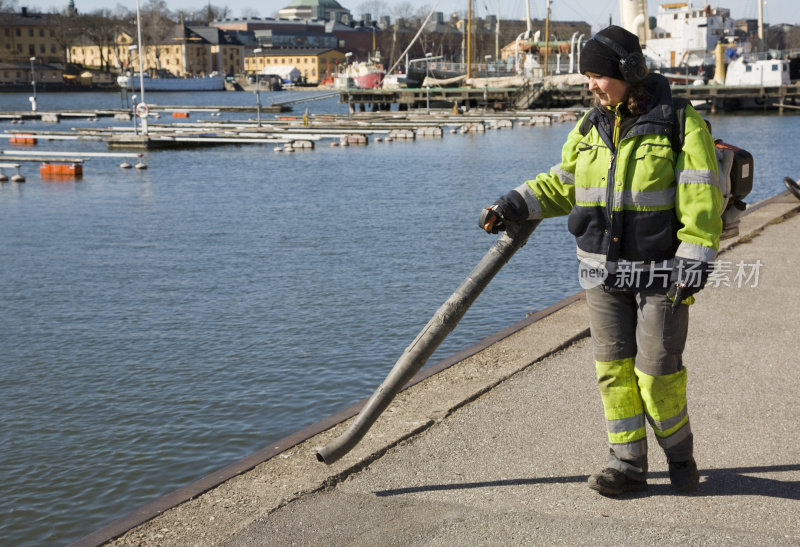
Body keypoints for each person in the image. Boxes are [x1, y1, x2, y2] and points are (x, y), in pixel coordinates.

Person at [480, 25, 721, 495]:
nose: (590, 84)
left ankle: (680, 456)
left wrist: (695, 258)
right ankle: (627, 465)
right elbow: (562, 183)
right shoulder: (589, 126)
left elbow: (701, 196)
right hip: (601, 271)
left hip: (662, 275)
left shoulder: (679, 122)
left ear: (629, 72)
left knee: (656, 374)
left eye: (598, 75)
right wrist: (513, 202)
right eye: (587, 75)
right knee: (612, 372)